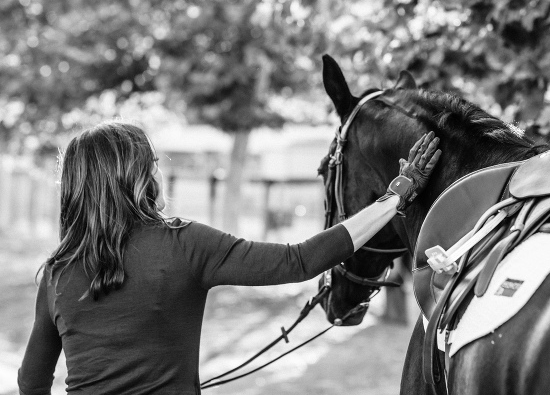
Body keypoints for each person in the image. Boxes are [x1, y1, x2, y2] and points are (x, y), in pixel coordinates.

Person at [17, 121, 441, 394]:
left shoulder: (56, 273)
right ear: (137, 178)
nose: (158, 171)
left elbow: (30, 382)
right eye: (153, 164)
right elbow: (300, 260)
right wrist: (395, 197)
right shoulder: (183, 244)